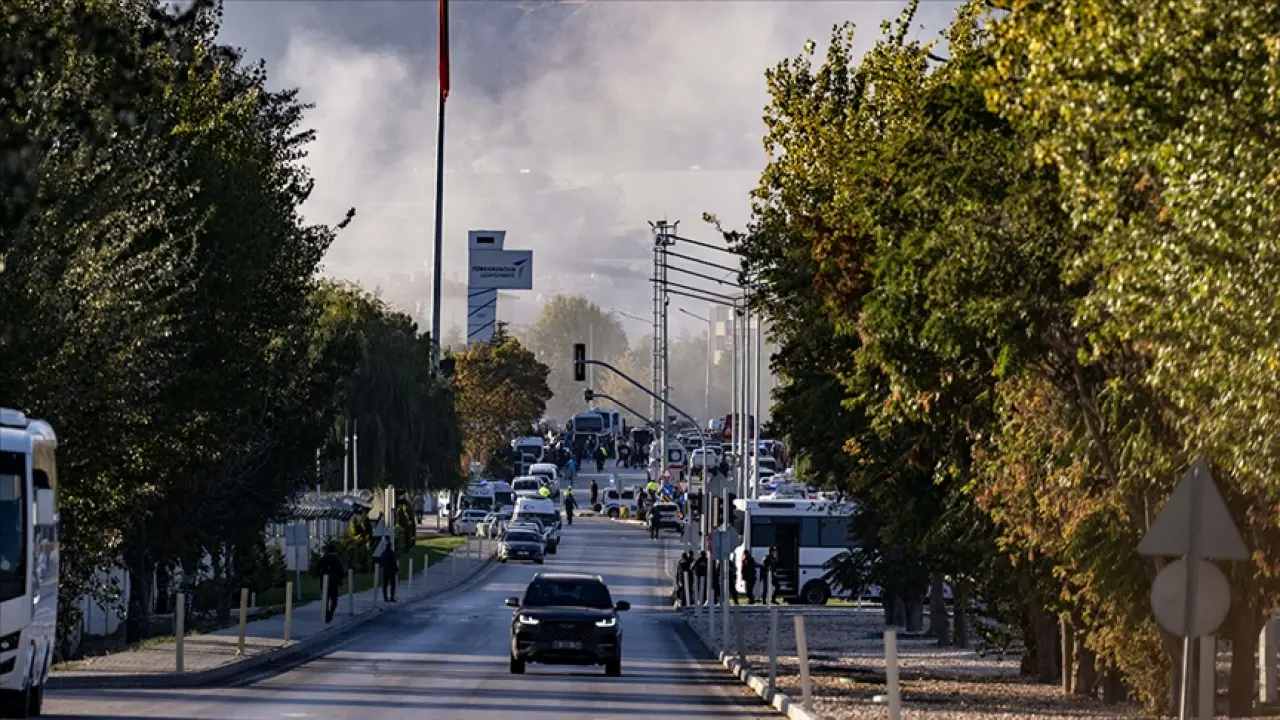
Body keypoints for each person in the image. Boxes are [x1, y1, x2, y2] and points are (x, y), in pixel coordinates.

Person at [316, 545, 344, 623]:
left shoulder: (324, 558)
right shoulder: (337, 559)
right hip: (334, 582)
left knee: (326, 599)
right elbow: (341, 571)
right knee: (334, 600)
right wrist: (340, 582)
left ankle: (326, 613)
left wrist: (321, 575)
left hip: (325, 582)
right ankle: (330, 613)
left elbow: (317, 566)